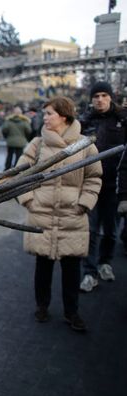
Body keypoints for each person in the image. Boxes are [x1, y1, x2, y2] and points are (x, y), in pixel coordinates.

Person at [16, 96, 102, 332]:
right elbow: (19, 175)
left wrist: (84, 204)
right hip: (41, 213)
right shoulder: (37, 145)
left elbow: (94, 178)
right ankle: (42, 306)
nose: (44, 118)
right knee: (42, 266)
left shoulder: (86, 145)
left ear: (63, 116)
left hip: (72, 214)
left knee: (71, 268)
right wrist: (29, 200)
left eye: (49, 114)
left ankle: (71, 312)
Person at [79, 81, 127, 292]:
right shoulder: (85, 122)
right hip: (90, 185)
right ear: (91, 99)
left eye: (103, 96)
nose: (100, 99)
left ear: (110, 98)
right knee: (89, 230)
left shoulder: (123, 121)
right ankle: (89, 272)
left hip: (114, 186)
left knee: (111, 230)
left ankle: (105, 262)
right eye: (96, 96)